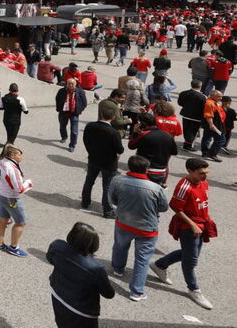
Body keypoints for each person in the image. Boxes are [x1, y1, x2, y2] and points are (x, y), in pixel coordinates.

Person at [150, 157, 217, 310]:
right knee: (191, 260)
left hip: (201, 224)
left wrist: (208, 219)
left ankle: (159, 265)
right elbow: (175, 207)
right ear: (190, 171)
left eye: (206, 173)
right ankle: (194, 289)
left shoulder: (204, 183)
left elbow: (203, 203)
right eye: (201, 173)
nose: (205, 176)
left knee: (189, 253)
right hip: (189, 228)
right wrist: (192, 224)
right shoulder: (184, 186)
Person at [107, 154, 168, 303]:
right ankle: (137, 291)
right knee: (142, 259)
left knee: (120, 246)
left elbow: (112, 199)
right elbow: (164, 207)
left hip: (123, 222)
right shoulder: (155, 188)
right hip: (147, 228)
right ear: (146, 170)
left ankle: (118, 269)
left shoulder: (117, 180)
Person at [46, 222, 114, 328]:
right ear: (93, 244)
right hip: (82, 312)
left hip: (58, 297)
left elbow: (50, 258)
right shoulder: (96, 269)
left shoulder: (57, 246)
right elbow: (109, 294)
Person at [80, 103, 124, 218]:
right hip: (109, 163)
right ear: (113, 117)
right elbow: (120, 149)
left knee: (89, 181)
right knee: (107, 187)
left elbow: (85, 140)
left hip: (93, 158)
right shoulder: (113, 133)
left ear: (100, 115)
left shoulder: (90, 126)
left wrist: (91, 151)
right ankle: (107, 210)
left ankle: (85, 202)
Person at [0, 144, 33, 257]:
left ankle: (0, 244)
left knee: (2, 219)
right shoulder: (12, 169)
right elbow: (19, 189)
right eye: (19, 154)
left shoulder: (1, 161)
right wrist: (28, 183)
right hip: (10, 198)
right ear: (12, 155)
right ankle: (14, 247)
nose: (21, 157)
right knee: (20, 223)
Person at [56, 79, 87, 152]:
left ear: (75, 84)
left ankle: (72, 145)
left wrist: (79, 110)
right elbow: (57, 99)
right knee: (62, 126)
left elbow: (84, 103)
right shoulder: (61, 91)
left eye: (72, 84)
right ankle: (64, 137)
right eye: (69, 84)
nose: (70, 85)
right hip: (63, 113)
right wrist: (58, 108)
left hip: (74, 113)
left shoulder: (80, 92)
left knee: (74, 131)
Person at [178, 79, 207, 151]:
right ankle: (188, 146)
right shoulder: (203, 97)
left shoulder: (183, 93)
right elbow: (204, 108)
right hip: (197, 117)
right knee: (193, 132)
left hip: (186, 114)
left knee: (186, 130)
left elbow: (180, 103)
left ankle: (187, 144)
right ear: (200, 86)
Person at [201, 89, 225, 161]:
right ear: (212, 96)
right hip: (214, 125)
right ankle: (212, 154)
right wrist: (211, 125)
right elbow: (208, 115)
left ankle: (205, 152)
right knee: (221, 139)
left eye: (221, 96)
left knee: (207, 137)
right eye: (218, 96)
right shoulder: (209, 103)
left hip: (214, 124)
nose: (221, 98)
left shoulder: (214, 102)